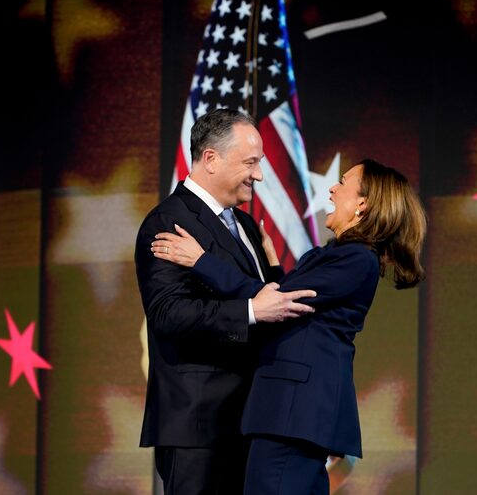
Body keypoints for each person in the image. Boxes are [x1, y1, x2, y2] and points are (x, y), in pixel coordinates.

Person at [151, 159, 427, 495]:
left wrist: (201, 261)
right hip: (291, 414)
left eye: (343, 182)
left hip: (291, 414)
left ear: (362, 204)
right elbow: (297, 308)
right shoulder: (337, 255)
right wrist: (271, 264)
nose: (332, 188)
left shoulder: (356, 259)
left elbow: (279, 301)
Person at [135, 108, 317, 495]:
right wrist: (250, 312)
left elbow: (270, 302)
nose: (260, 175)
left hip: (249, 418)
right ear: (210, 159)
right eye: (250, 163)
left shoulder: (247, 225)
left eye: (262, 163)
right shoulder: (168, 222)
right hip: (199, 425)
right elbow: (168, 314)